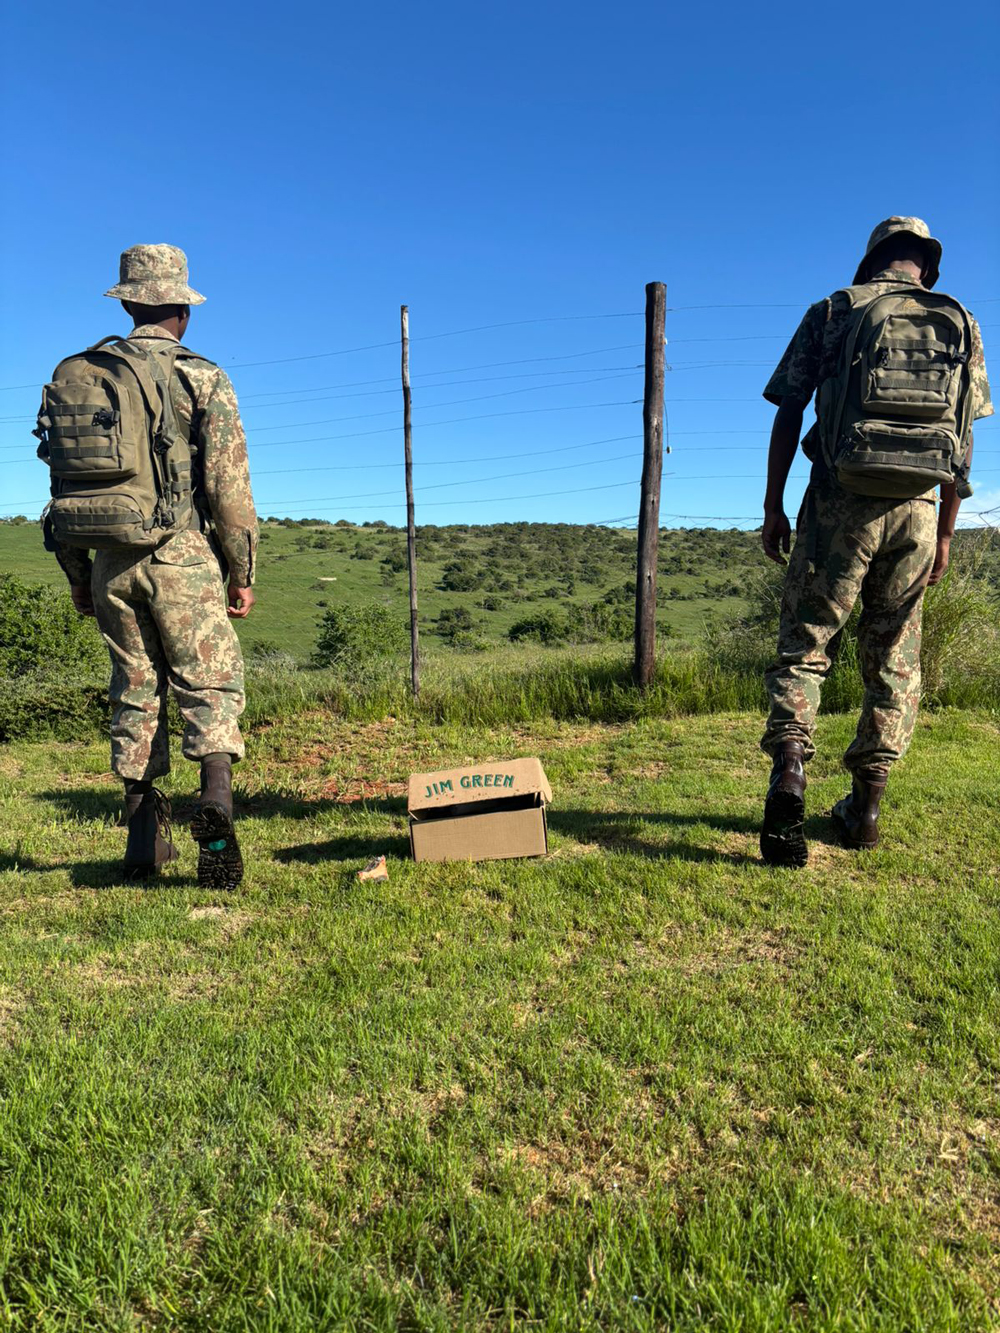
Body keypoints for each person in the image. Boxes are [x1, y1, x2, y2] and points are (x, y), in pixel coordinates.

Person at [758, 217, 992, 868]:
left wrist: (774, 504)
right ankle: (865, 809)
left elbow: (788, 409)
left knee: (805, 645)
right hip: (918, 510)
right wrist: (945, 533)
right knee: (894, 660)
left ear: (873, 261)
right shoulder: (964, 323)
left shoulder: (835, 309)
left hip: (840, 499)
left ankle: (792, 773)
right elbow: (964, 442)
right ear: (926, 266)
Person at [37, 244, 258, 887]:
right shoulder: (203, 377)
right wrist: (240, 572)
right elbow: (230, 491)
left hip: (109, 560)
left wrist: (80, 577)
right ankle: (214, 803)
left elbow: (66, 487)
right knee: (207, 685)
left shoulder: (83, 373)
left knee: (135, 690)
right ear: (182, 311)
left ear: (129, 301)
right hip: (182, 555)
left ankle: (142, 842)